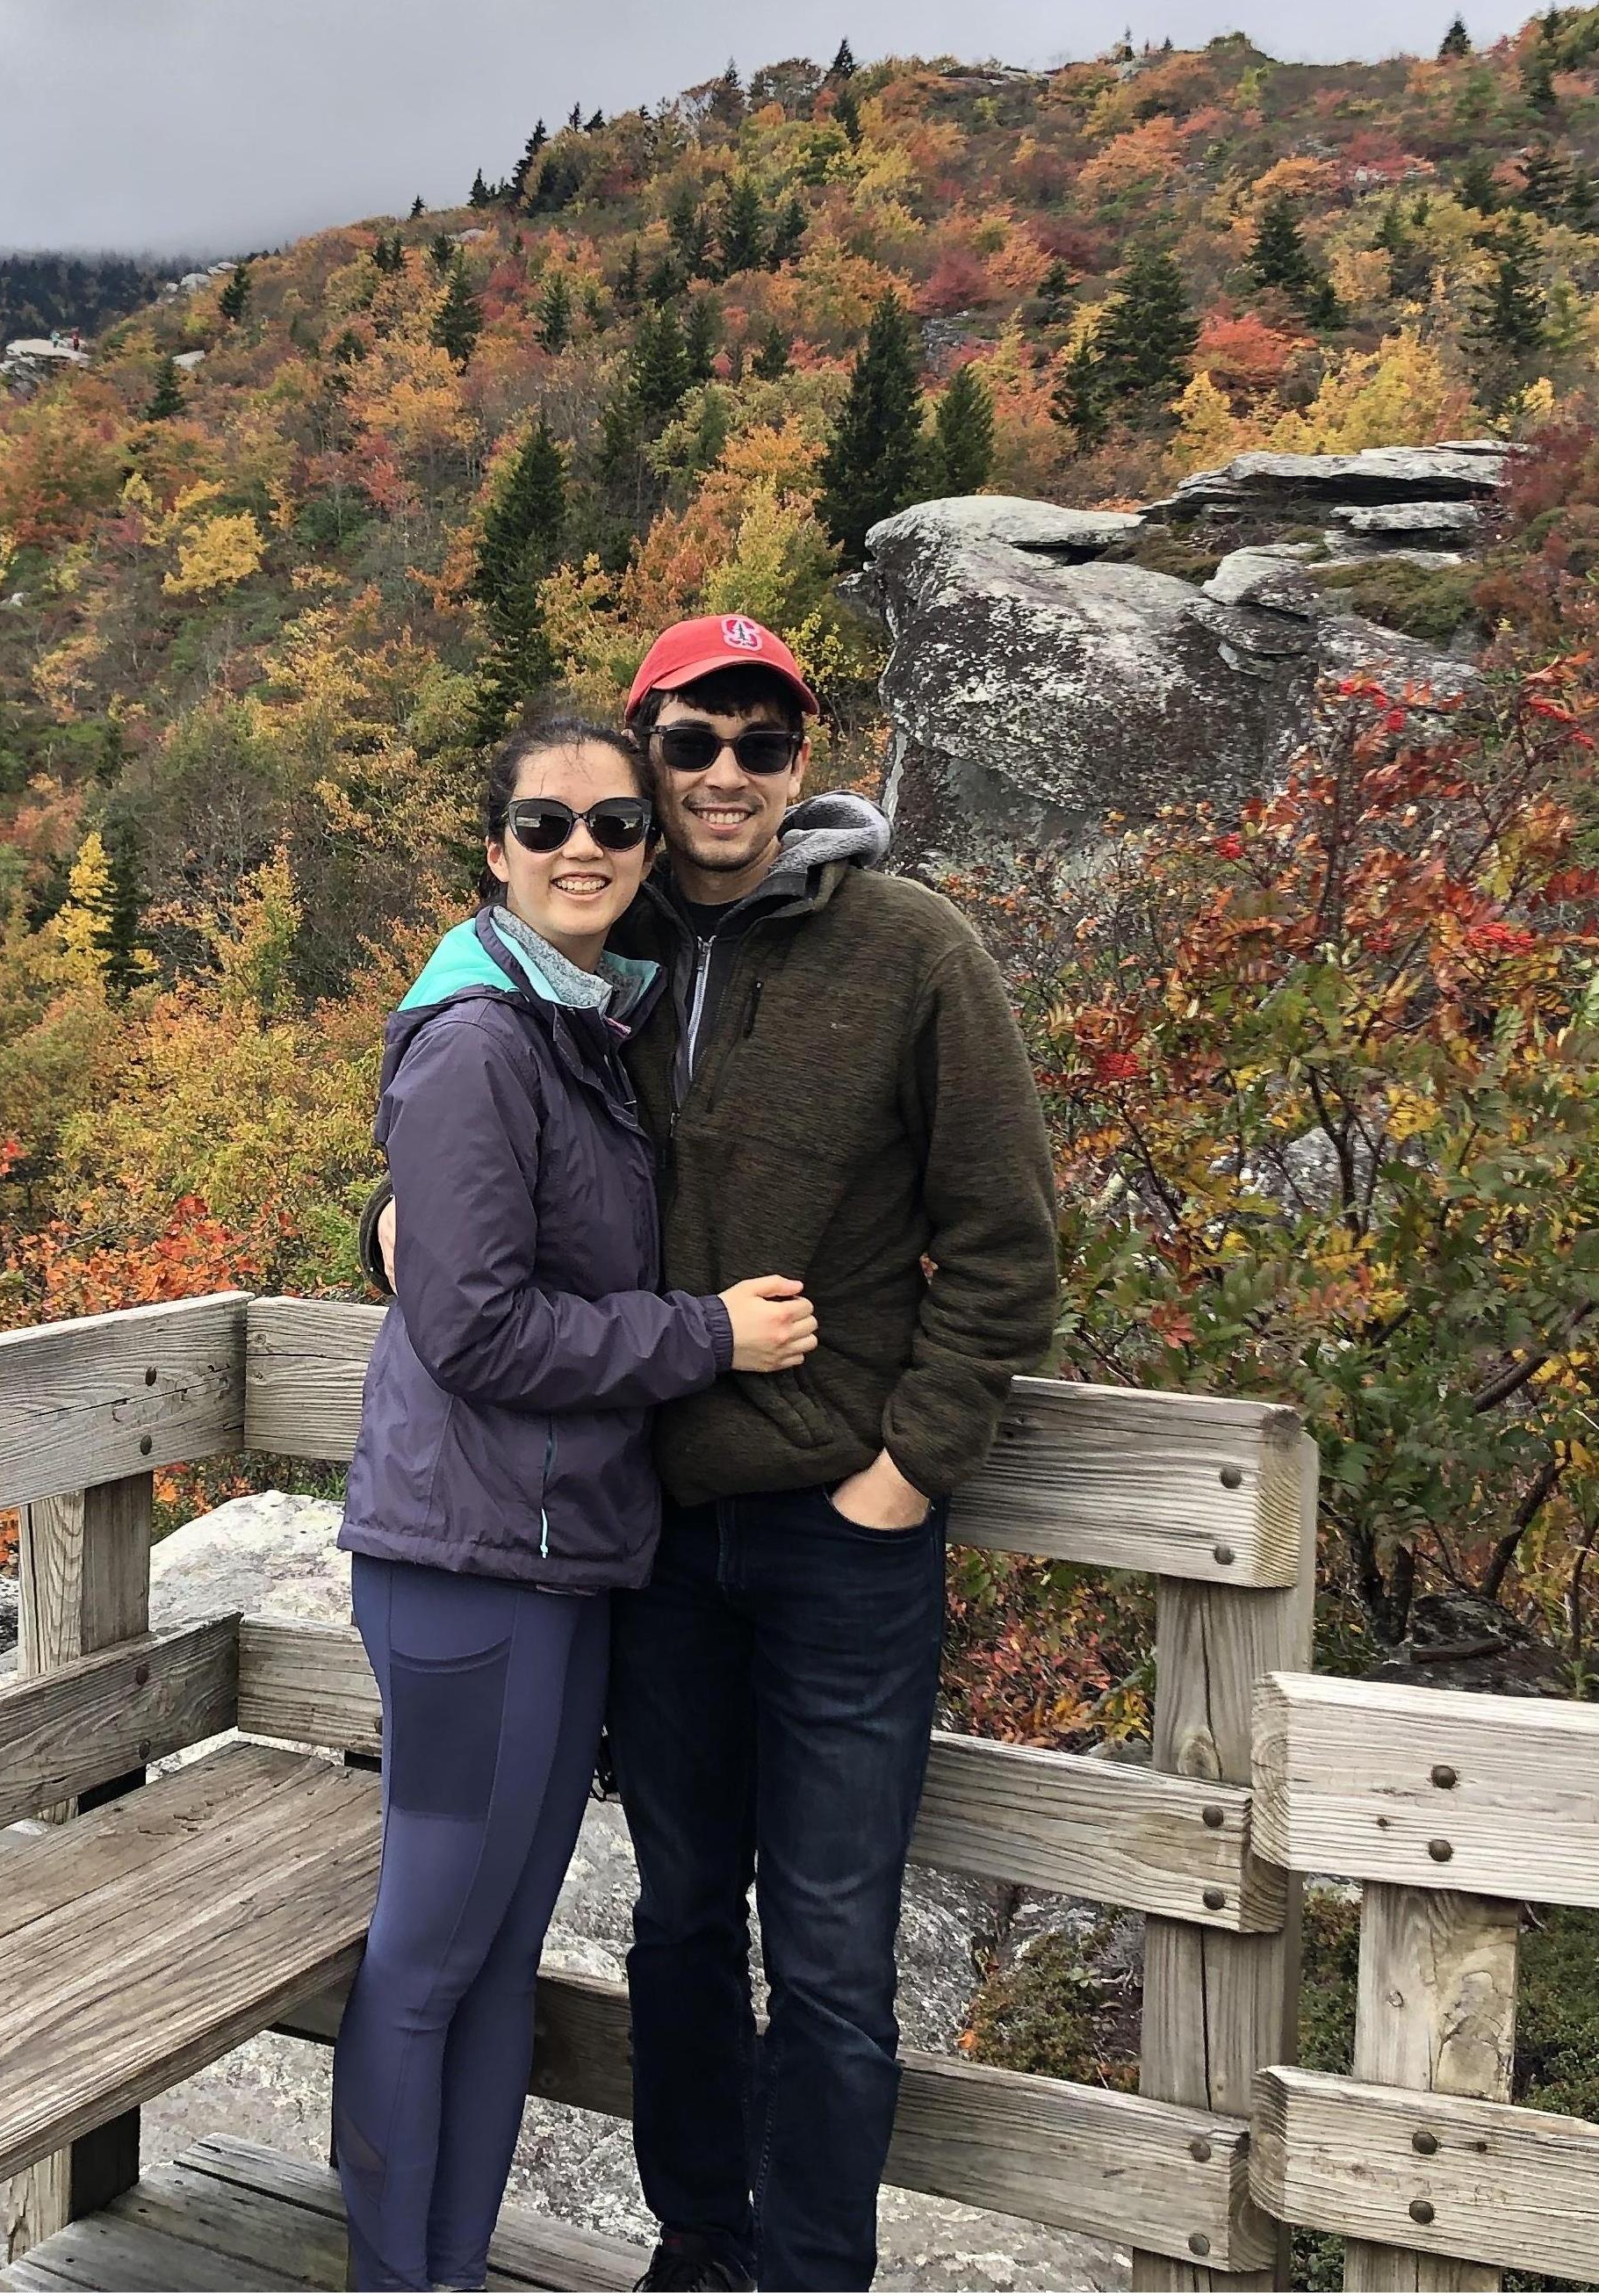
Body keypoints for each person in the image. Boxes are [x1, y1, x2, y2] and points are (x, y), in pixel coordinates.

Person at [369, 618, 1059, 2292]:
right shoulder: (585, 954)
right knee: (678, 1917)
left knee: (829, 1946)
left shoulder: (913, 952)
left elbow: (1008, 1241)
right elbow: (458, 1184)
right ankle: (700, 2243)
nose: (725, 774)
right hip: (652, 1535)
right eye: (692, 744)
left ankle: (811, 2273)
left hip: (840, 1535)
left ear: (804, 762)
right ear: (644, 756)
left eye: (763, 740)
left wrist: (906, 1472)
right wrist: (373, 1227)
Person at [334, 706, 822, 2296]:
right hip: (472, 1569)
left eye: (617, 824)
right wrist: (710, 1338)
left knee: (487, 1970)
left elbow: (457, 1258)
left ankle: (449, 2270)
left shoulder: (577, 1024)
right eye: (547, 826)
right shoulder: (487, 1038)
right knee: (427, 1959)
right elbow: (471, 1327)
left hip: (549, 1563)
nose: (587, 851)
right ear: (496, 849)